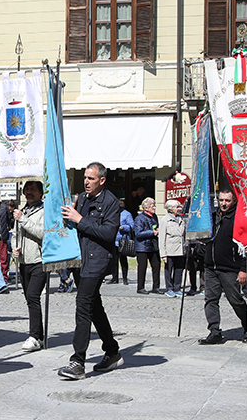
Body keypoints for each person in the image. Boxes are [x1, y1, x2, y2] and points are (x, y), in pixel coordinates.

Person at [59, 162, 122, 379]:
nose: (86, 182)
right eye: (85, 177)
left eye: (91, 178)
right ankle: (112, 351)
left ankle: (77, 361)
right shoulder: (83, 199)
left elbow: (108, 234)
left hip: (98, 260)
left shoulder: (111, 202)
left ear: (101, 180)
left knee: (83, 305)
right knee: (94, 306)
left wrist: (80, 220)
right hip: (81, 258)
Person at [198, 189, 247, 345]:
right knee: (210, 300)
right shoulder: (213, 217)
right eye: (221, 200)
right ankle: (214, 331)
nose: (223, 203)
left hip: (229, 267)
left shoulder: (238, 219)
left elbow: (245, 246)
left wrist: (243, 269)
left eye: (227, 201)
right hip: (210, 267)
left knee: (235, 300)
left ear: (233, 201)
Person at [14, 180, 47, 352]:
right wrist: (15, 246)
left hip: (40, 260)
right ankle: (39, 336)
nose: (29, 192)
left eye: (33, 189)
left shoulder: (44, 211)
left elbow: (43, 233)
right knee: (29, 298)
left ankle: (34, 336)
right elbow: (16, 233)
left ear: (41, 193)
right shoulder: (23, 210)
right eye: (27, 189)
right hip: (24, 261)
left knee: (33, 296)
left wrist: (23, 220)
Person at [133, 197, 161, 294]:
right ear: (146, 207)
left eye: (154, 205)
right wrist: (152, 232)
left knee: (157, 265)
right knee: (142, 267)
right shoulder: (139, 218)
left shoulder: (155, 217)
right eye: (152, 206)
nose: (154, 208)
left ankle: (156, 287)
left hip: (153, 245)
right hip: (142, 246)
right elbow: (138, 234)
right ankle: (140, 287)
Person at [161, 199, 188, 297]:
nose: (179, 208)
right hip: (170, 250)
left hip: (180, 249)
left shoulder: (180, 219)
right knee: (169, 270)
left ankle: (177, 288)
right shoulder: (165, 220)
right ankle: (169, 288)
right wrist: (163, 254)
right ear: (171, 209)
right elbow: (162, 238)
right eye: (177, 207)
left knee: (179, 269)